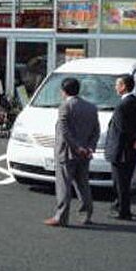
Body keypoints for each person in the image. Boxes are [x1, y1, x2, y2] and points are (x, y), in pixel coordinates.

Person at [44, 77, 100, 227]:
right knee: (83, 184)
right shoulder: (91, 107)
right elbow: (96, 130)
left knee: (64, 185)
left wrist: (76, 147)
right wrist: (89, 147)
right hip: (85, 153)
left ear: (64, 91)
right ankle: (86, 215)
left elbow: (64, 131)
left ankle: (61, 217)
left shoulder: (65, 106)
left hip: (67, 152)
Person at [104, 74, 136, 220]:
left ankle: (124, 211)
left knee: (120, 182)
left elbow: (123, 128)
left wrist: (134, 139)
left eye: (117, 84)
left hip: (120, 149)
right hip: (134, 149)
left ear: (123, 87)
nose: (115, 87)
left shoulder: (121, 106)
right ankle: (120, 205)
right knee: (127, 180)